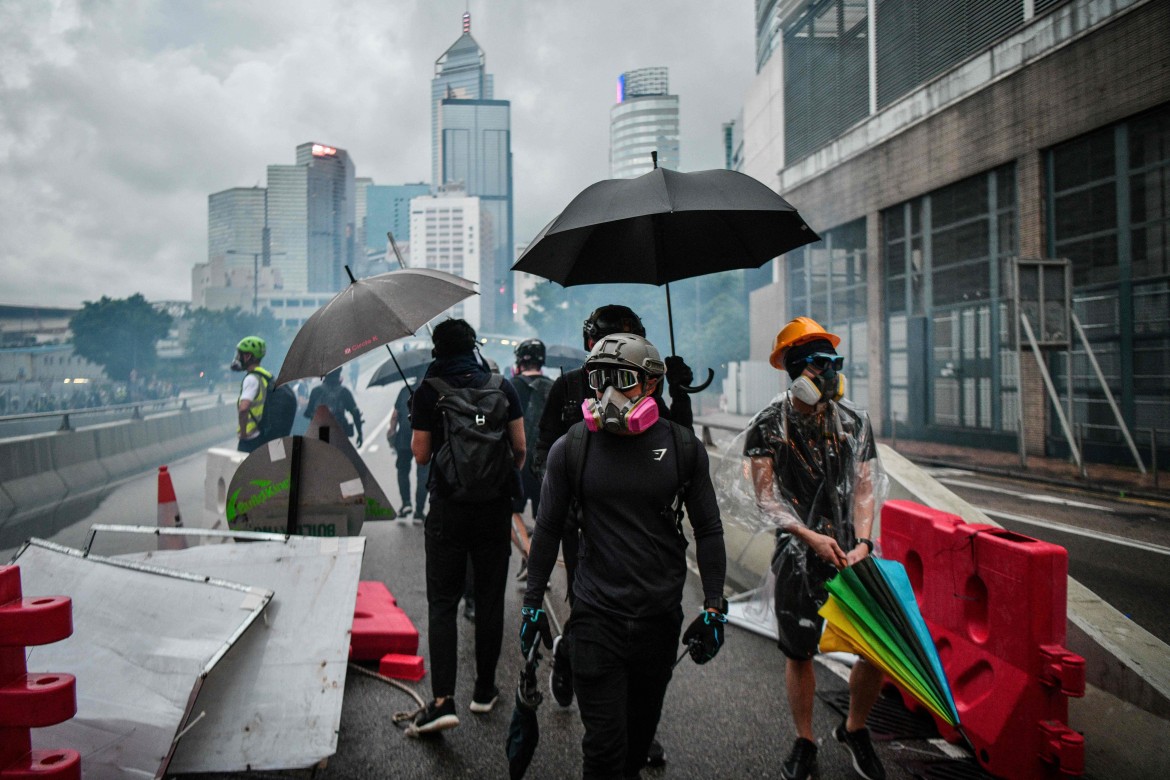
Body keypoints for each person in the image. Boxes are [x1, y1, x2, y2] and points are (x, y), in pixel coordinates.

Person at [520, 332, 727, 778]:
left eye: (623, 380)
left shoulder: (682, 447)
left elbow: (708, 528)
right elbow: (549, 528)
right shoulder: (571, 447)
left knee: (635, 747)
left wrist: (714, 604)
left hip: (659, 618)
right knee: (603, 751)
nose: (608, 392)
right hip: (596, 618)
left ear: (652, 385)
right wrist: (533, 601)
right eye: (598, 380)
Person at [745, 316, 886, 780]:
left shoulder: (853, 422)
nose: (830, 374)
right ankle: (805, 740)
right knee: (800, 651)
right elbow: (765, 498)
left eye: (834, 364)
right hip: (798, 552)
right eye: (821, 365)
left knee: (876, 648)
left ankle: (855, 728)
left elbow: (865, 489)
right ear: (798, 371)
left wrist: (863, 540)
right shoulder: (768, 424)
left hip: (853, 553)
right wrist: (807, 535)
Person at [408, 318, 526, 734]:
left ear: (437, 349)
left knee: (442, 602)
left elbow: (421, 456)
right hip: (493, 510)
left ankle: (442, 701)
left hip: (447, 510)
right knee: (491, 600)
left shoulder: (427, 391)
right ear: (473, 345)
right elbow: (520, 449)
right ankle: (484, 690)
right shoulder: (501, 386)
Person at [510, 338, 555, 578]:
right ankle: (539, 564)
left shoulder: (510, 386)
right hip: (548, 463)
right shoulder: (554, 387)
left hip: (518, 462)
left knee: (510, 511)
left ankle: (529, 555)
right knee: (544, 518)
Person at [387, 381, 428, 520]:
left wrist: (392, 432)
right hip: (424, 437)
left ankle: (406, 503)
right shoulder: (430, 391)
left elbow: (395, 415)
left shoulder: (405, 389)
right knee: (423, 474)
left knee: (403, 470)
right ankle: (419, 510)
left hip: (404, 438)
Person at [305, 368, 364, 447]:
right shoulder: (344, 392)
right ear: (339, 373)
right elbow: (355, 413)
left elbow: (309, 414)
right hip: (339, 431)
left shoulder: (315, 391)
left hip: (322, 434)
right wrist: (360, 433)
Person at [232, 335, 271, 453]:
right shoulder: (266, 376)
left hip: (250, 437)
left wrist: (243, 433)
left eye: (240, 355)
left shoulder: (251, 379)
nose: (237, 358)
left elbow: (243, 408)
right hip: (262, 435)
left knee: (241, 470)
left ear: (248, 356)